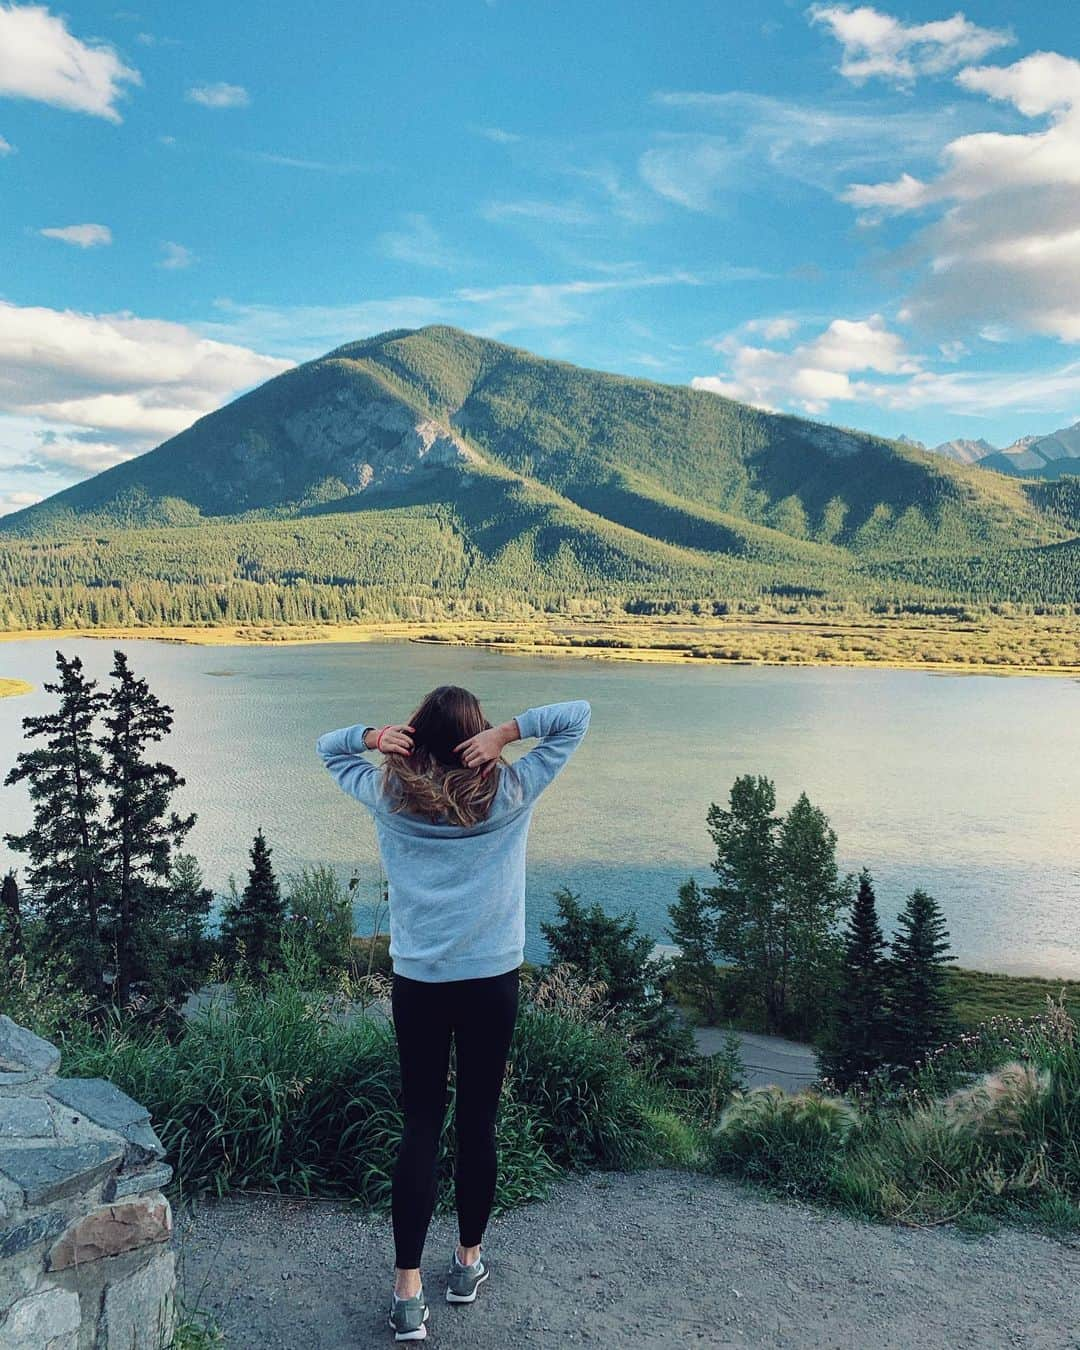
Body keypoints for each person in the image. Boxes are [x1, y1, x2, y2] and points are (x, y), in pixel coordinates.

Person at [315, 686, 591, 1342]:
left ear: (414, 736)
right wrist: (508, 735)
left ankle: (407, 1290)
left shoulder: (388, 796)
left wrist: (373, 736)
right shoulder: (511, 791)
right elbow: (576, 716)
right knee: (478, 1123)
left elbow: (328, 749)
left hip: (421, 984)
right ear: (476, 740)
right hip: (492, 980)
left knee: (419, 1125)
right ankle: (467, 1264)